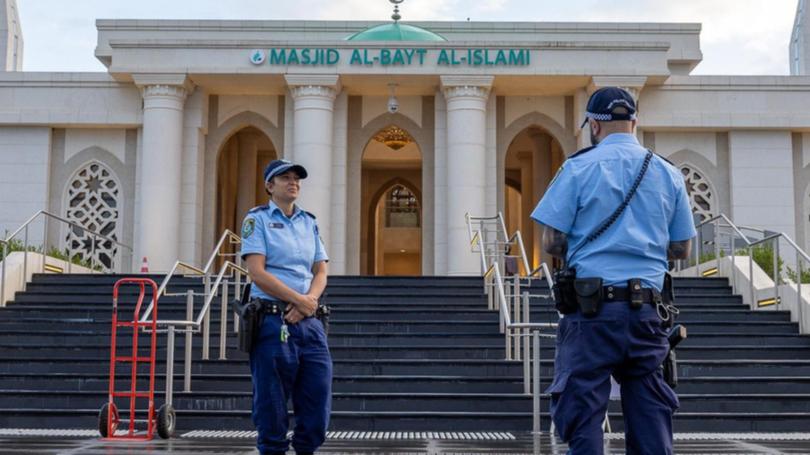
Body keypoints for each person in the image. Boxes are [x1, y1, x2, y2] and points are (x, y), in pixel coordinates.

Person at [531, 87, 696, 454]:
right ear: (635, 121)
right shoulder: (667, 173)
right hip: (647, 314)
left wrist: (590, 245)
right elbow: (682, 248)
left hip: (591, 310)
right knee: (651, 411)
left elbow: (552, 242)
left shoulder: (577, 167)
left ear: (593, 124)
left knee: (583, 412)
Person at [240, 159, 331, 455]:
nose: (293, 182)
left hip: (309, 322)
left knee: (318, 399)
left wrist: (308, 303)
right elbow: (257, 272)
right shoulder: (258, 219)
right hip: (272, 320)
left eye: (297, 179)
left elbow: (321, 271)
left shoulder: (309, 221)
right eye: (285, 178)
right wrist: (298, 300)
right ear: (269, 186)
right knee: (272, 405)